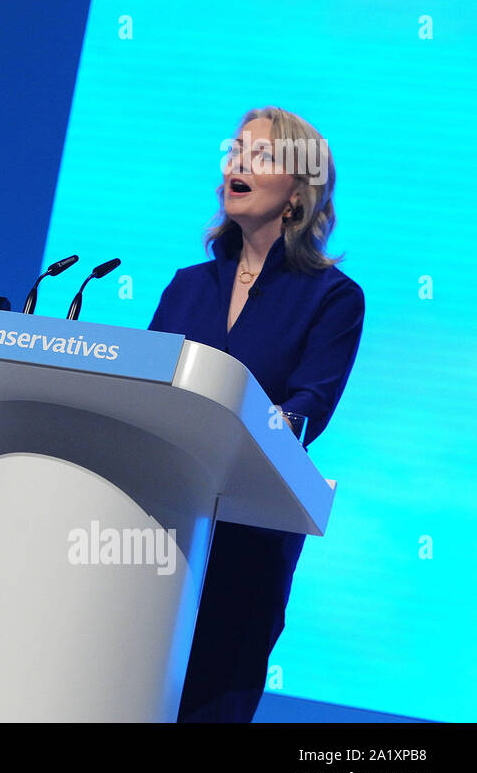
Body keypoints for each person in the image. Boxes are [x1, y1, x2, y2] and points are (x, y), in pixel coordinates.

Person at [148, 106, 365, 723]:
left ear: (299, 193)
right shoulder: (186, 286)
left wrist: (255, 429)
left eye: (261, 155)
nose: (238, 164)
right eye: (235, 152)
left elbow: (308, 407)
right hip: (155, 534)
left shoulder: (333, 298)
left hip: (247, 540)